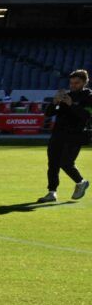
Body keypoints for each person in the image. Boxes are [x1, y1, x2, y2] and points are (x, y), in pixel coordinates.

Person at [38, 68, 90, 204]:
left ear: (84, 82)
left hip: (75, 135)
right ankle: (51, 192)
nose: (73, 86)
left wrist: (71, 105)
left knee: (66, 163)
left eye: (76, 83)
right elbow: (49, 114)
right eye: (71, 83)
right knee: (53, 164)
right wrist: (55, 102)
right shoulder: (66, 95)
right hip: (58, 134)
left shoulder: (89, 97)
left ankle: (81, 182)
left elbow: (86, 115)